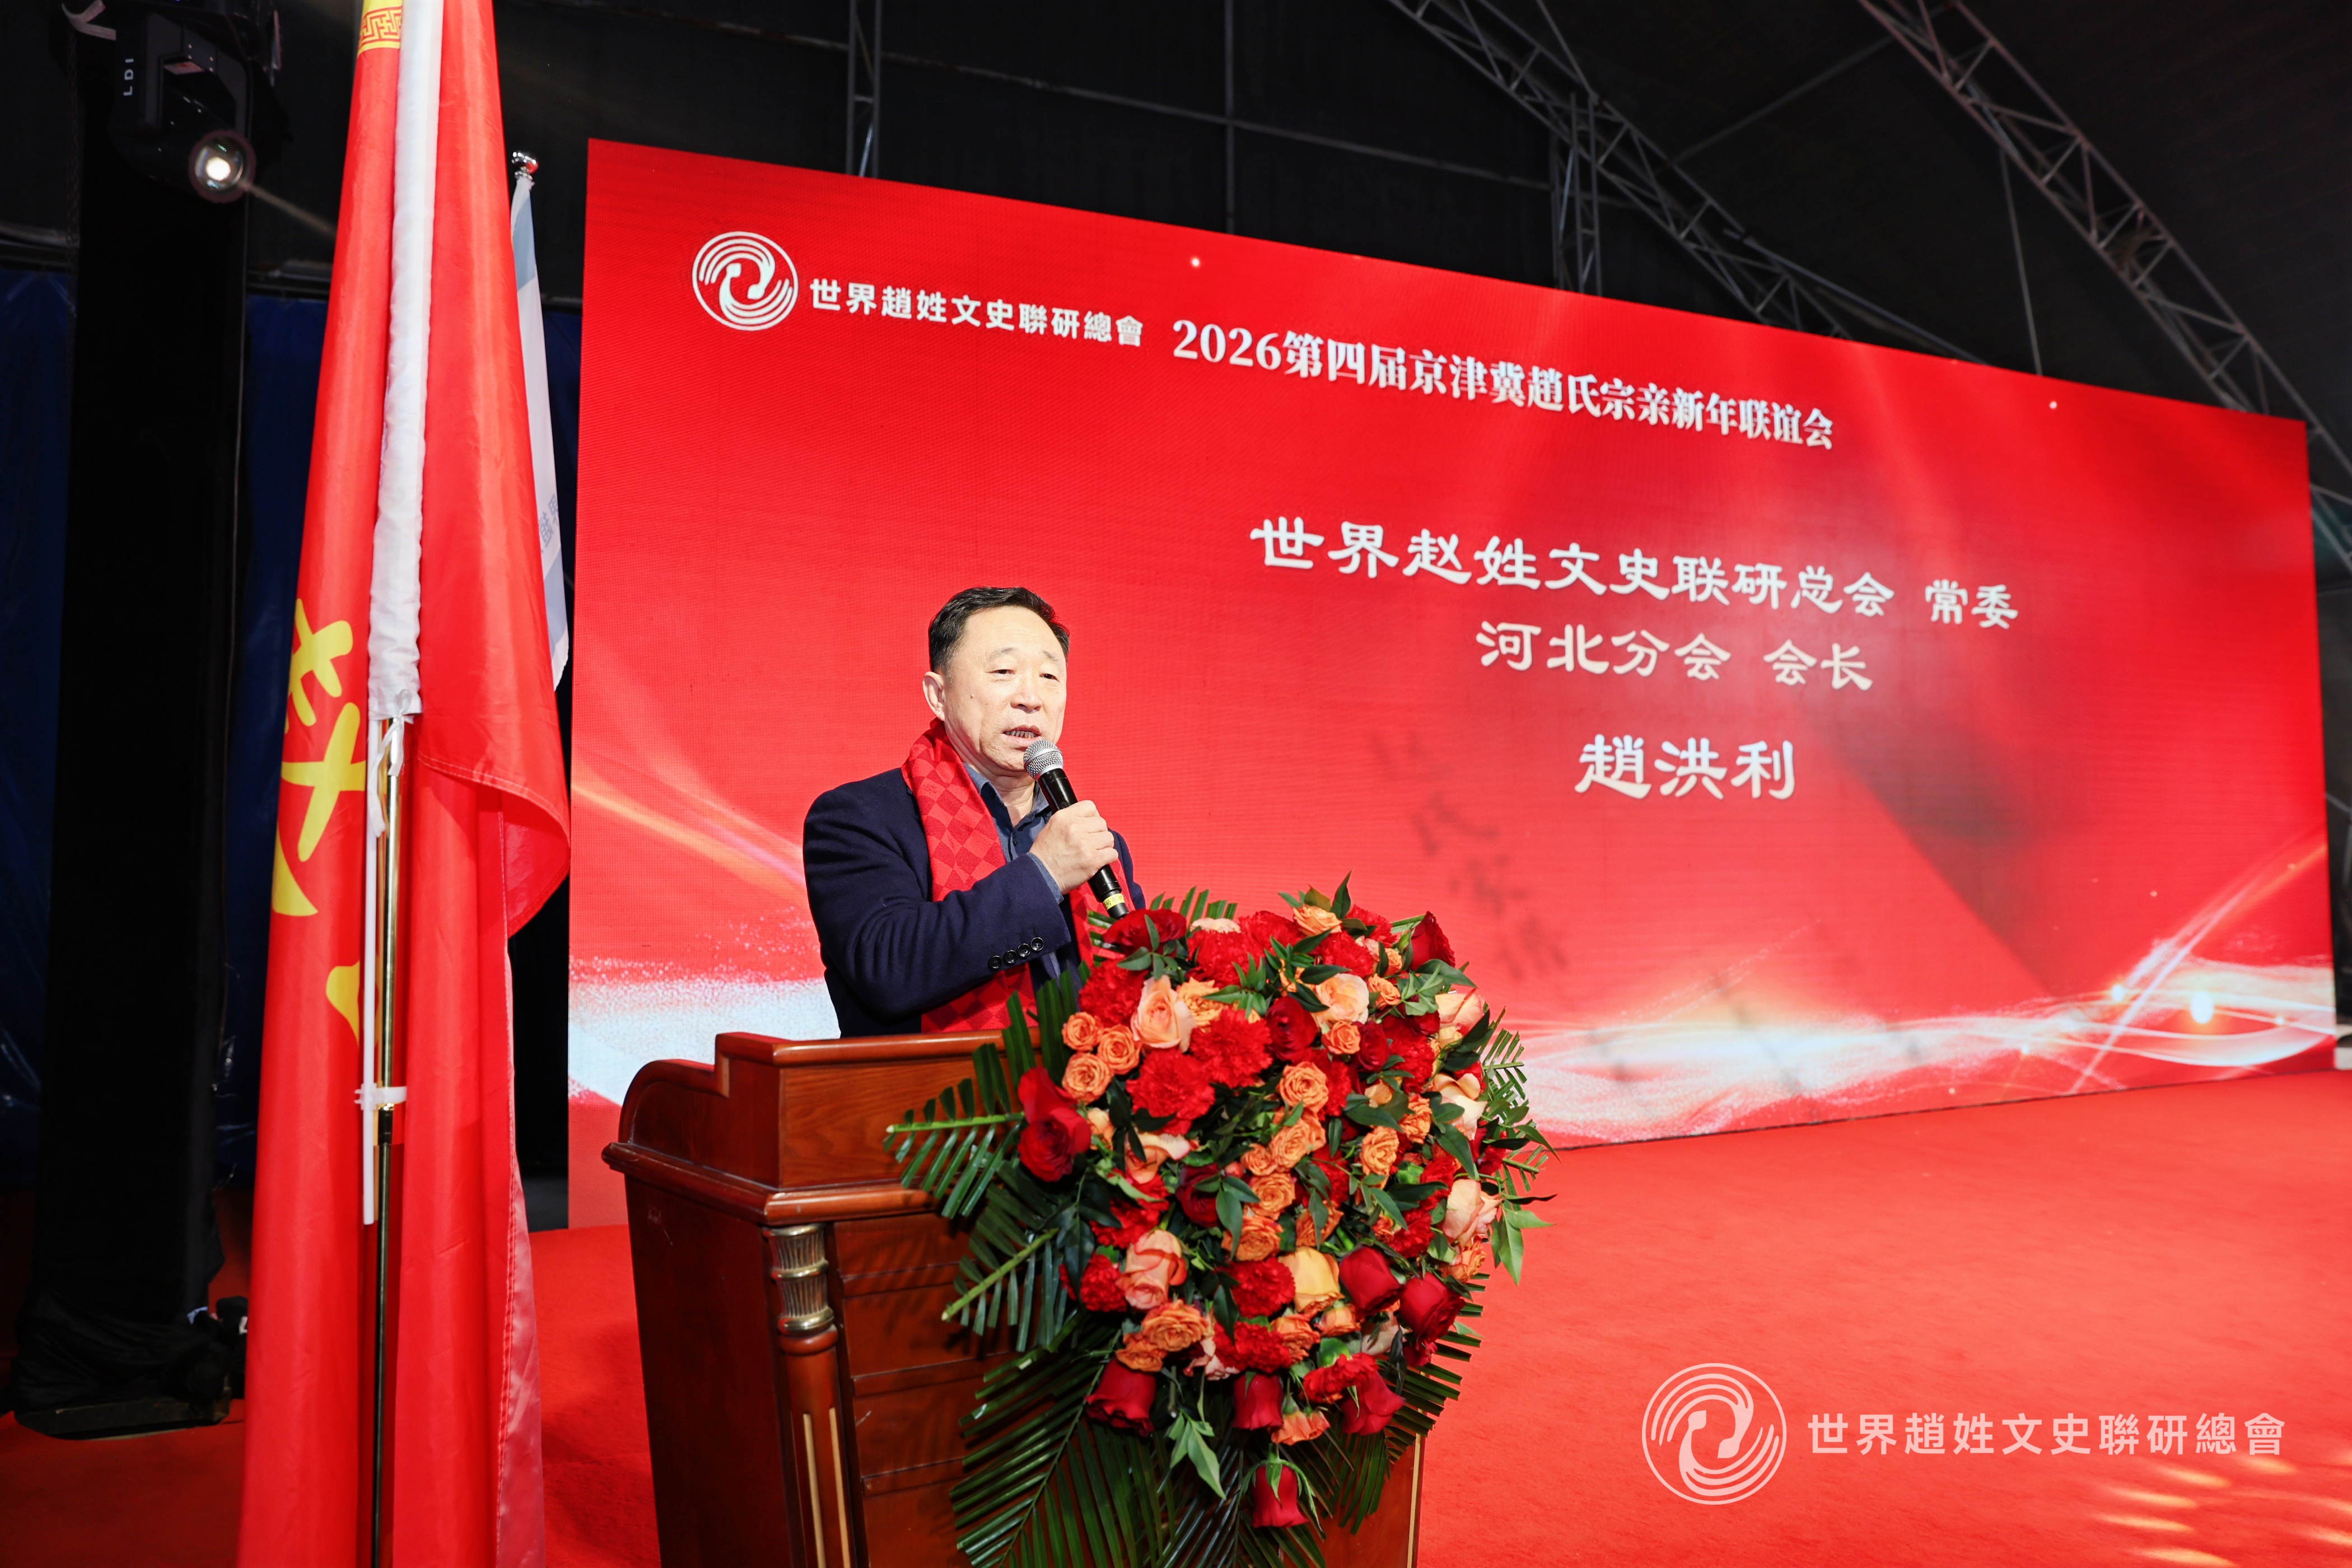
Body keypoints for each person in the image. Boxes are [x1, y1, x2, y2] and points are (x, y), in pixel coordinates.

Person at [803, 586, 1139, 1037]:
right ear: (938, 695)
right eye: (1003, 672)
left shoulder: (1094, 842)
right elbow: (888, 971)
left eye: (1049, 676)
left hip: (1085, 1081)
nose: (1031, 697)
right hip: (936, 1083)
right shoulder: (858, 819)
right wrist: (1044, 876)